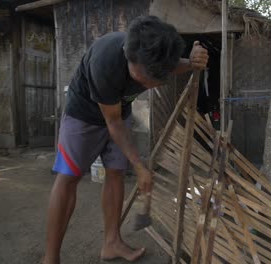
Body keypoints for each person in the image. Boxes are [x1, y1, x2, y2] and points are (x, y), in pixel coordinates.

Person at [42, 16, 208, 264]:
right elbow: (113, 124)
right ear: (128, 57)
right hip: (84, 116)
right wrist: (140, 166)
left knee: (116, 173)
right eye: (143, 80)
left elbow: (174, 66)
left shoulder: (156, 58)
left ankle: (111, 243)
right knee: (68, 179)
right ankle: (50, 257)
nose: (149, 85)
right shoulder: (105, 60)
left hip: (120, 111)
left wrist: (193, 61)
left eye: (155, 80)